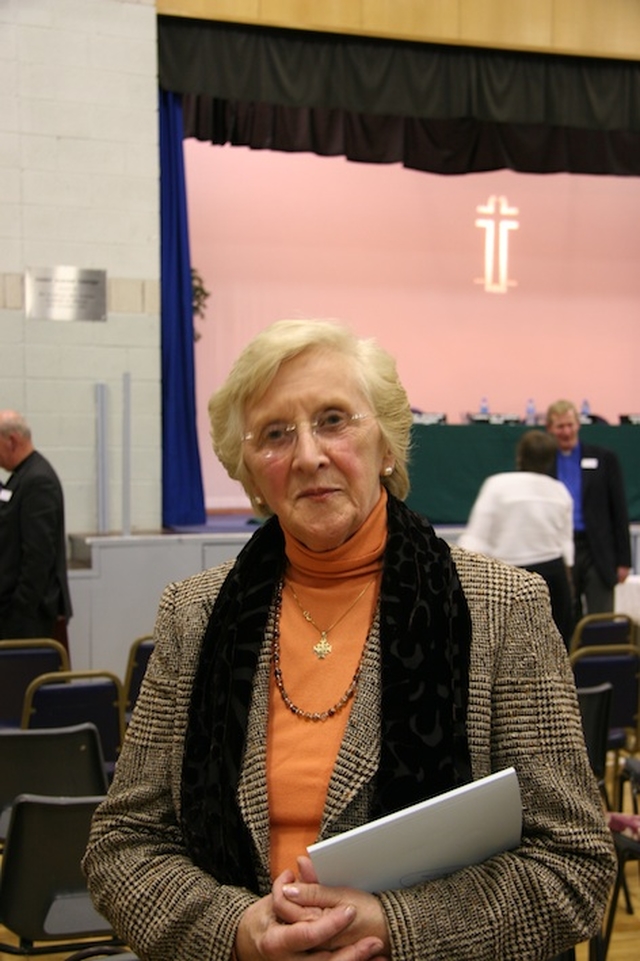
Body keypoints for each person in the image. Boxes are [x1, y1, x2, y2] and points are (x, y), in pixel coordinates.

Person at [83, 320, 614, 961]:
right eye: (276, 434)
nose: (308, 455)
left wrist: (396, 927)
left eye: (334, 419)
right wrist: (239, 932)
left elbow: (574, 865)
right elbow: (123, 843)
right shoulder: (192, 617)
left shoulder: (504, 611)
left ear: (386, 445)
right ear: (252, 473)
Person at [458, 429, 574, 646]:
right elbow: (566, 547)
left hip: (508, 581)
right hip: (553, 582)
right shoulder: (560, 491)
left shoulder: (497, 485)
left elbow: (474, 540)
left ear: (520, 456)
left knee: (507, 651)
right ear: (550, 461)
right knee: (555, 651)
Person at [546, 399, 632, 620]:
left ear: (578, 425)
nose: (566, 431)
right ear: (550, 429)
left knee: (601, 616)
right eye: (560, 426)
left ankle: (601, 655)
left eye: (570, 425)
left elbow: (619, 511)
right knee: (563, 617)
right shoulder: (544, 464)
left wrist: (624, 560)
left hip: (598, 551)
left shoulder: (604, 458)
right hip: (561, 550)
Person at [0, 409, 72, 639]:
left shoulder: (38, 480)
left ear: (11, 441)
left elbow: (38, 556)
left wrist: (18, 611)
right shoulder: (21, 476)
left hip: (29, 617)